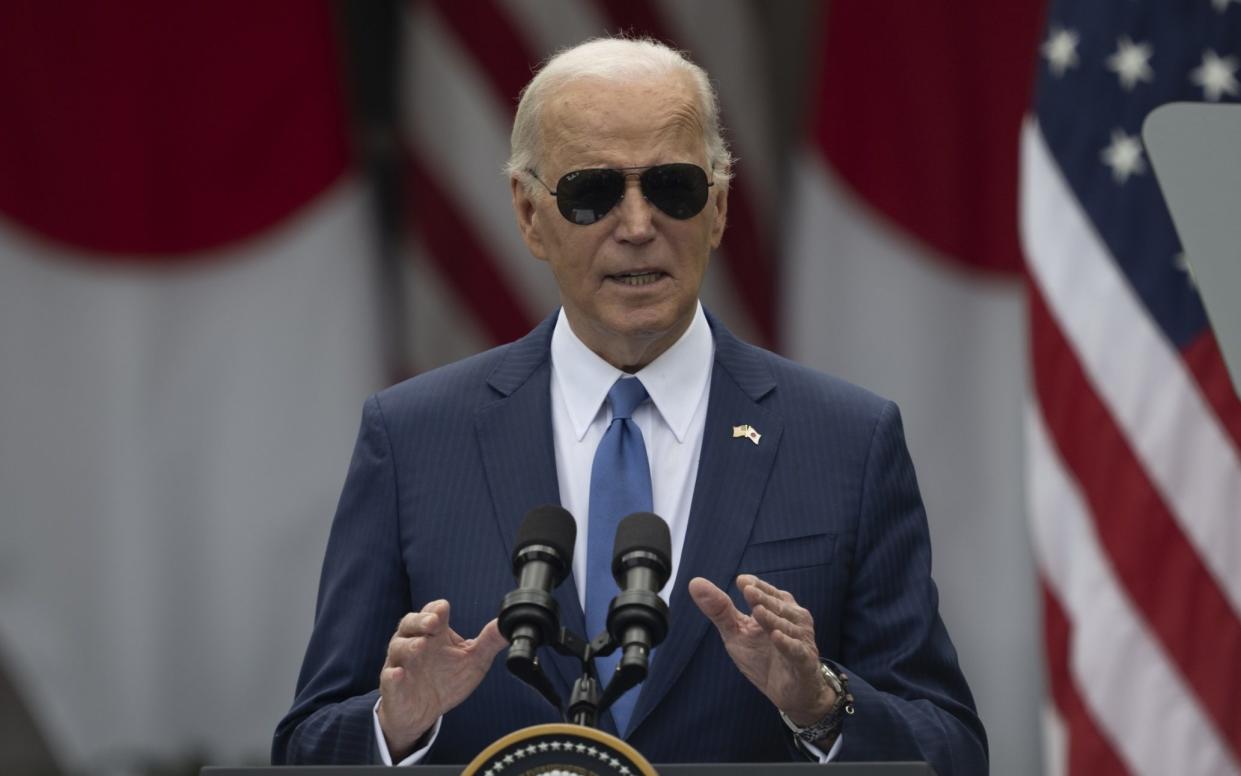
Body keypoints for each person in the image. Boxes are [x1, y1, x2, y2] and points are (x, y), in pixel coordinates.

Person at [273, 36, 986, 773]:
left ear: (716, 206)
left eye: (672, 188)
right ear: (527, 215)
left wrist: (822, 703)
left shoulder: (845, 441)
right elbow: (307, 745)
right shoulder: (414, 439)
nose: (638, 225)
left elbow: (951, 750)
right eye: (592, 192)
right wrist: (398, 724)